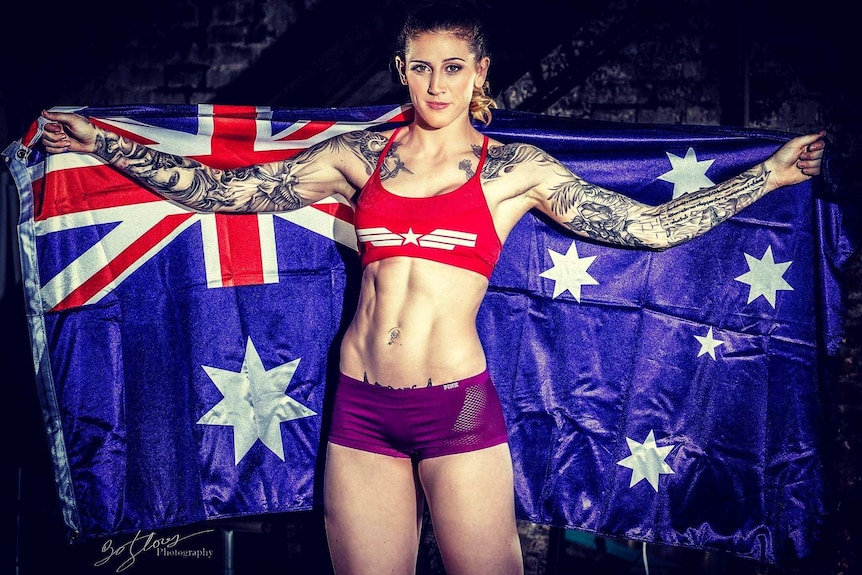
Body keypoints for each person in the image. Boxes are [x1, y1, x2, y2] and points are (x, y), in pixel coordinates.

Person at [38, 3, 826, 573]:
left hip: (456, 407)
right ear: (402, 69)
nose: (436, 82)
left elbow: (648, 227)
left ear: (479, 71)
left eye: (454, 67)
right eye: (421, 65)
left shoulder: (514, 169)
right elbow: (225, 191)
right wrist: (101, 140)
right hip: (362, 407)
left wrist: (773, 172)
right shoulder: (359, 157)